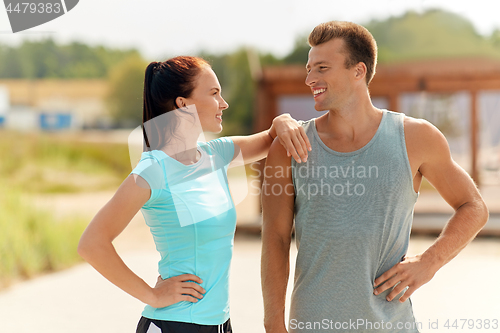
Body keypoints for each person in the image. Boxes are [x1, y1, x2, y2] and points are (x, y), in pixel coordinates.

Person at [260, 21, 489, 333]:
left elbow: (473, 206)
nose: (310, 79)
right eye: (309, 68)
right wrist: (273, 323)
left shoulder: (416, 137)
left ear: (358, 71)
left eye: (322, 68)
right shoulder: (289, 147)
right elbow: (274, 238)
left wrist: (429, 262)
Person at [77, 55, 311, 333]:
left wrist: (283, 120)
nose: (223, 104)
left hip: (219, 324)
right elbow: (91, 244)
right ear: (183, 103)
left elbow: (273, 136)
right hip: (174, 324)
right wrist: (152, 295)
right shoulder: (154, 170)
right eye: (214, 94)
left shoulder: (216, 154)